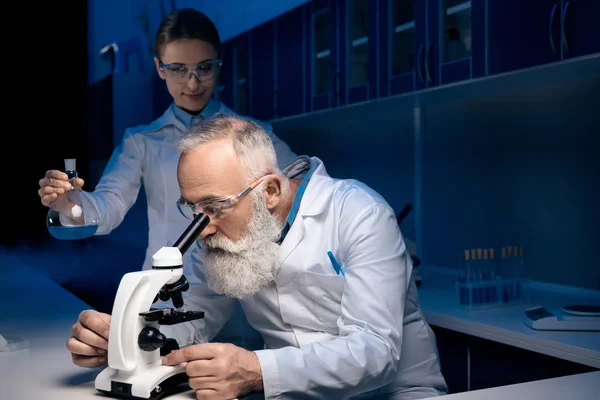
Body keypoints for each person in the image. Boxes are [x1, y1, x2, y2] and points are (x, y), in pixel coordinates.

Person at [67, 115, 448, 399]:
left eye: (214, 206)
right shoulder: (215, 231)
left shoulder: (358, 213)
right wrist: (130, 341)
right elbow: (195, 315)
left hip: (393, 394)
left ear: (268, 191)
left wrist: (256, 368)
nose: (204, 227)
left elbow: (375, 352)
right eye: (193, 207)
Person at [37, 9, 296, 347]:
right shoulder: (142, 141)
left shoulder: (254, 135)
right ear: (160, 67)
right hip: (164, 296)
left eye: (204, 68)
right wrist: (72, 202)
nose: (192, 83)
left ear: (219, 64)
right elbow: (109, 205)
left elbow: (297, 189)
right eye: (178, 69)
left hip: (239, 301)